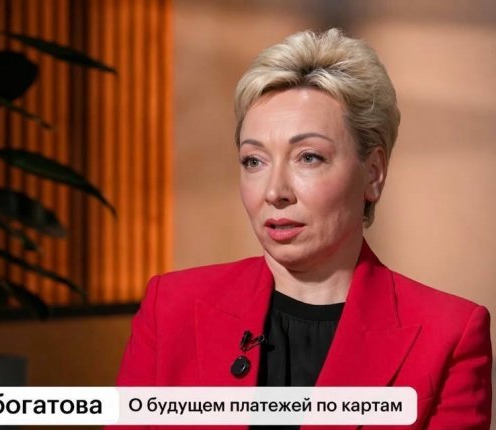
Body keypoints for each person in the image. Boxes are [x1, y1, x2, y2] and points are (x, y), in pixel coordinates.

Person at [116, 28, 492, 429]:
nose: (274, 191)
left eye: (308, 157)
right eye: (254, 161)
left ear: (373, 173)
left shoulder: (449, 335)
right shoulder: (169, 307)